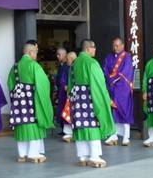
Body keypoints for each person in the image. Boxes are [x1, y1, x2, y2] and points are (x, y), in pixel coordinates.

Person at [69, 39, 115, 168]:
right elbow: (98, 84)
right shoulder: (91, 63)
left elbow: (70, 83)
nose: (95, 50)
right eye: (94, 47)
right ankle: (94, 156)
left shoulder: (74, 63)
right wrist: (104, 98)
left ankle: (83, 156)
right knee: (92, 124)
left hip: (77, 98)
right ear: (88, 48)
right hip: (89, 97)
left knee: (80, 125)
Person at [8, 43, 54, 163]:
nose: (36, 56)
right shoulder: (33, 65)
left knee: (21, 123)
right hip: (31, 99)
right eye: (35, 53)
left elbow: (10, 83)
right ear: (30, 52)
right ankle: (33, 154)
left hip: (18, 100)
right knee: (33, 123)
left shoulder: (15, 66)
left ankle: (22, 154)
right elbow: (43, 84)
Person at [102, 37, 134, 146]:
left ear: (122, 45)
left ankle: (126, 137)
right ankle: (113, 135)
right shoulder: (108, 57)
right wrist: (109, 81)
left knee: (124, 110)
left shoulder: (127, 57)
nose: (115, 47)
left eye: (117, 45)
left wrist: (112, 80)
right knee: (112, 111)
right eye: (114, 45)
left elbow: (125, 72)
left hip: (123, 89)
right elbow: (105, 70)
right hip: (110, 87)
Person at [55, 47, 71, 142]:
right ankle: (64, 129)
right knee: (61, 110)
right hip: (61, 91)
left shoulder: (68, 66)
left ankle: (67, 131)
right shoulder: (61, 65)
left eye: (59, 54)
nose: (57, 56)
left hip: (66, 92)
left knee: (66, 110)